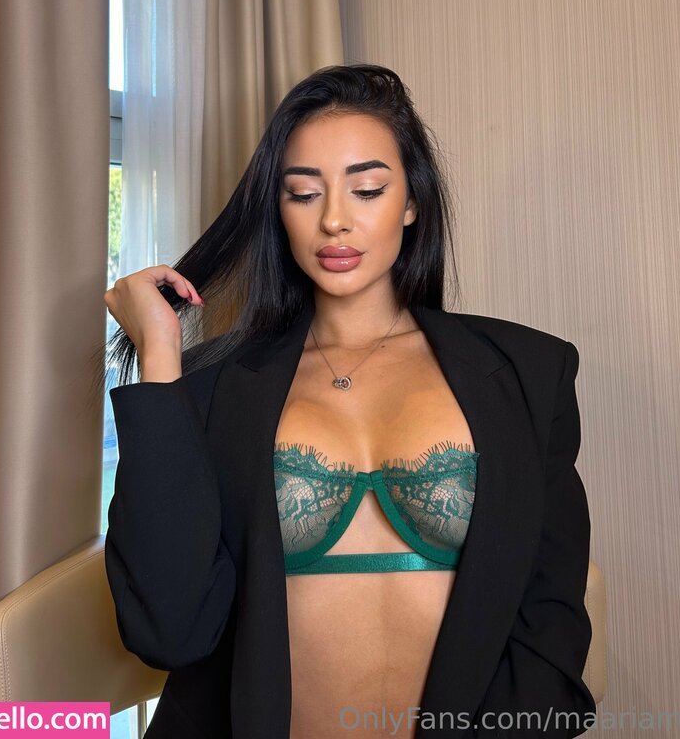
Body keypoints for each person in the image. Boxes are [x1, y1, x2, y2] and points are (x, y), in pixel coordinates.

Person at [100, 63, 596, 738]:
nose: (334, 220)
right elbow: (168, 630)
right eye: (303, 194)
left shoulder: (526, 373)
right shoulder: (215, 388)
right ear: (279, 210)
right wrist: (160, 359)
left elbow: (550, 622)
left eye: (367, 189)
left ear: (412, 202)